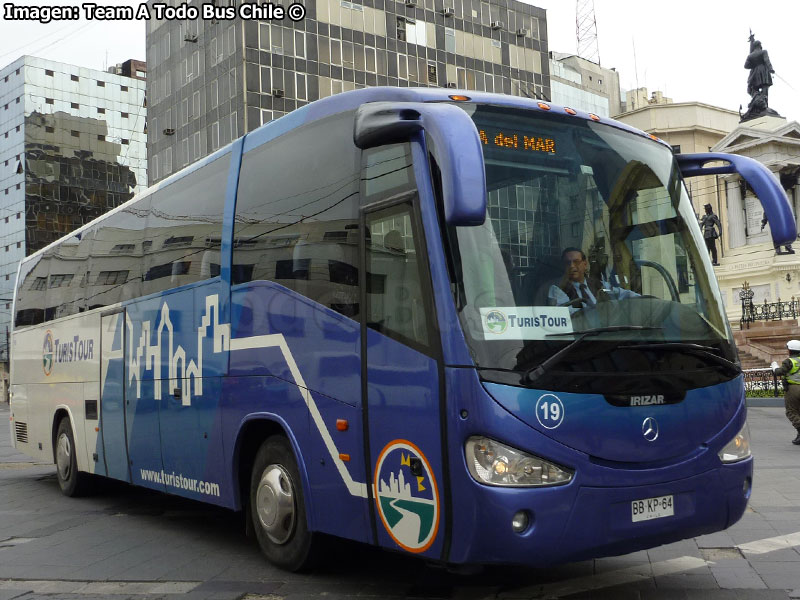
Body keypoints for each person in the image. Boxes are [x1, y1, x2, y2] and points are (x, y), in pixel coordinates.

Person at [547, 247, 637, 311]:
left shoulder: (600, 285)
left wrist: (646, 300)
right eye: (567, 263)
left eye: (576, 262)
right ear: (563, 266)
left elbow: (624, 294)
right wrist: (599, 310)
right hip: (582, 335)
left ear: (585, 264)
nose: (571, 266)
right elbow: (568, 315)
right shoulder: (557, 289)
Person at [771, 340, 800, 445]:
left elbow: (779, 372)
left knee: (791, 412)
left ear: (790, 350)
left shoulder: (790, 361)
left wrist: (774, 366)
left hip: (793, 389)